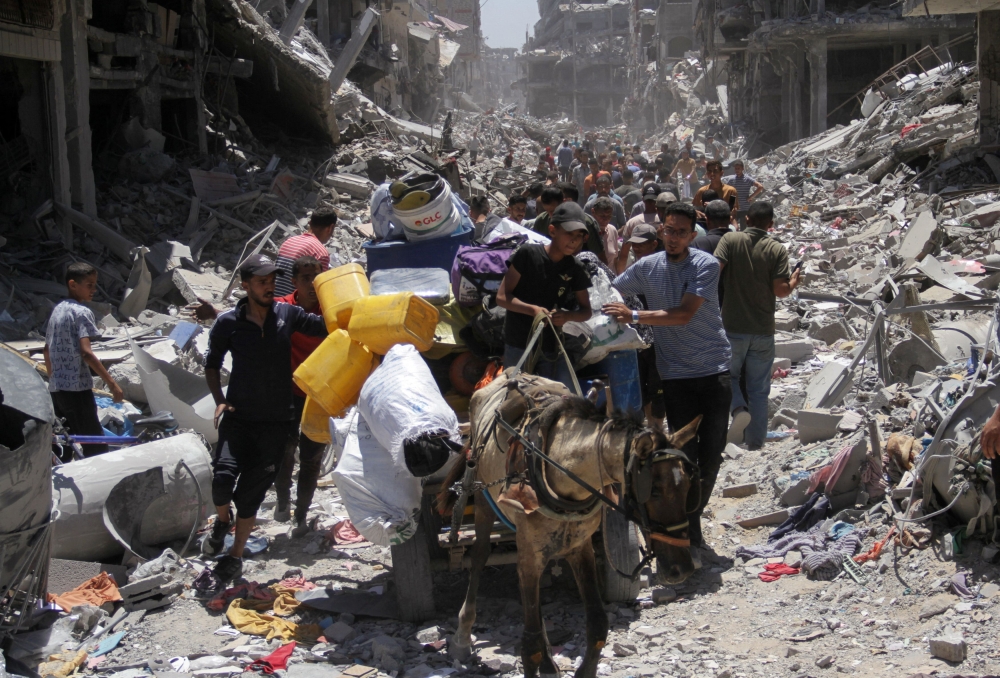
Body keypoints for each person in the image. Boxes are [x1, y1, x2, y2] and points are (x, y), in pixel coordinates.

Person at [603, 202, 731, 564]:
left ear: (693, 236)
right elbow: (613, 292)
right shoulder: (646, 267)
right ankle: (690, 533)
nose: (672, 237)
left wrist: (636, 314)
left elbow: (685, 313)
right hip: (674, 375)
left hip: (712, 370)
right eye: (668, 230)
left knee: (711, 457)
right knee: (683, 458)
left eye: (680, 232)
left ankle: (692, 526)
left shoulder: (704, 265)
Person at [202, 254, 328, 584]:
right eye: (261, 281)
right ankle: (221, 521)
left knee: (251, 494)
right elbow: (212, 362)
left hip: (276, 422)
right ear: (245, 286)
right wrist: (219, 401)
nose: (269, 286)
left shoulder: (287, 314)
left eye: (272, 280)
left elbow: (325, 326)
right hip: (239, 417)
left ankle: (235, 555)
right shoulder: (229, 323)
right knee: (222, 481)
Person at [714, 202, 800, 450]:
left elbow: (712, 271)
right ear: (771, 224)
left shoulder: (730, 241)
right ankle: (755, 443)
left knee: (728, 376)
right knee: (759, 389)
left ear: (746, 219)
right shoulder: (776, 249)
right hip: (762, 329)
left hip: (732, 326)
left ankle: (738, 408)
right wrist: (793, 281)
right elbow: (780, 291)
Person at [497, 202, 593, 387]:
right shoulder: (528, 254)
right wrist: (532, 310)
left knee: (548, 397)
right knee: (514, 395)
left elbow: (586, 311)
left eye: (579, 236)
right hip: (518, 342)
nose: (573, 240)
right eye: (569, 234)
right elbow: (502, 297)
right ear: (552, 230)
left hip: (550, 346)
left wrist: (567, 316)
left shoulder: (575, 268)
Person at [45, 262, 124, 457]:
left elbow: (47, 350)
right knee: (95, 444)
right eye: (89, 285)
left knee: (63, 443)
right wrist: (112, 384)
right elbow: (86, 352)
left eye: (94, 285)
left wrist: (53, 378)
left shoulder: (58, 310)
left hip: (57, 389)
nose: (93, 290)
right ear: (73, 284)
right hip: (77, 391)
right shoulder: (81, 313)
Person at [274, 257, 328, 536]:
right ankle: (283, 499)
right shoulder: (282, 307)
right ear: (294, 282)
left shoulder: (331, 308)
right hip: (287, 392)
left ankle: (302, 515)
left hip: (319, 394)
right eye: (305, 278)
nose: (311, 284)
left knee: (311, 458)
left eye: (315, 277)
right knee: (284, 452)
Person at [615, 224, 665, 422]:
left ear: (654, 244)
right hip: (638, 337)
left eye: (641, 244)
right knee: (641, 383)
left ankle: (657, 429)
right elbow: (617, 285)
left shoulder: (662, 267)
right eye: (634, 244)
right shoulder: (635, 270)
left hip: (659, 336)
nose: (637, 248)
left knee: (657, 386)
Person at [274, 207, 336, 296]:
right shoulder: (321, 253)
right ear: (330, 228)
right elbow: (319, 290)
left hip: (274, 303)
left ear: (310, 223)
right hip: (293, 306)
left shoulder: (289, 242)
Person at [725, 160, 764, 229]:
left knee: (744, 228)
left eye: (738, 168)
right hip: (734, 209)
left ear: (742, 169)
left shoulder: (747, 179)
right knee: (733, 228)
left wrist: (751, 197)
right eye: (736, 169)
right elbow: (726, 191)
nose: (737, 170)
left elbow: (760, 187)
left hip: (744, 208)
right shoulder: (731, 179)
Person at [589, 196, 620, 269]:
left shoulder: (613, 230)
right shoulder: (586, 232)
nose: (605, 220)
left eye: (609, 216)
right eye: (602, 216)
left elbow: (615, 260)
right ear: (593, 212)